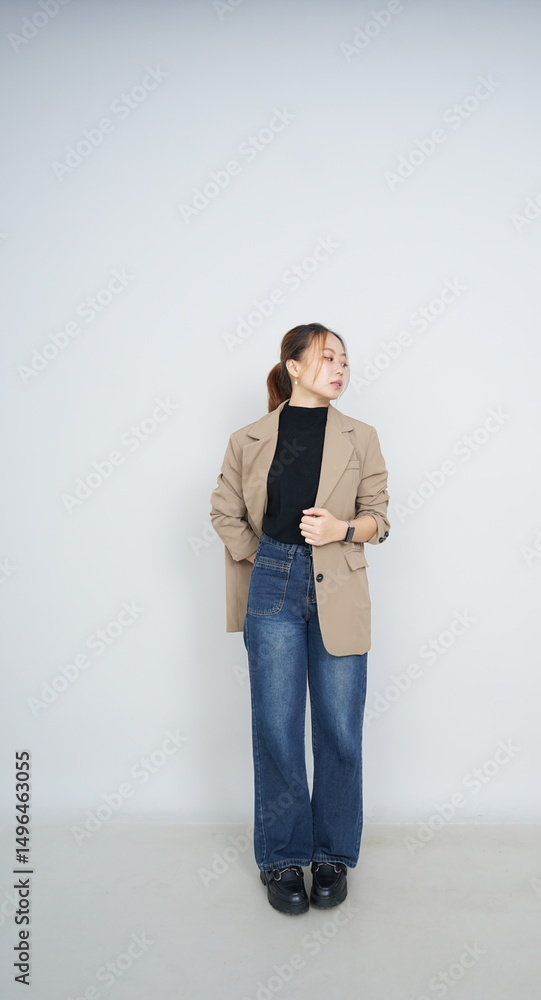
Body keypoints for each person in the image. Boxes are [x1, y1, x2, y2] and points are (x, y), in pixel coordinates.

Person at [209, 322, 391, 915]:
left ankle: (333, 854)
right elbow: (224, 511)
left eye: (344, 359)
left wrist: (342, 529)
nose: (339, 367)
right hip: (273, 583)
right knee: (277, 727)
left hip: (340, 581)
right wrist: (263, 556)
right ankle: (283, 858)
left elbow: (379, 517)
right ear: (292, 366)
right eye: (326, 357)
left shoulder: (361, 436)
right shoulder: (249, 439)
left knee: (339, 728)